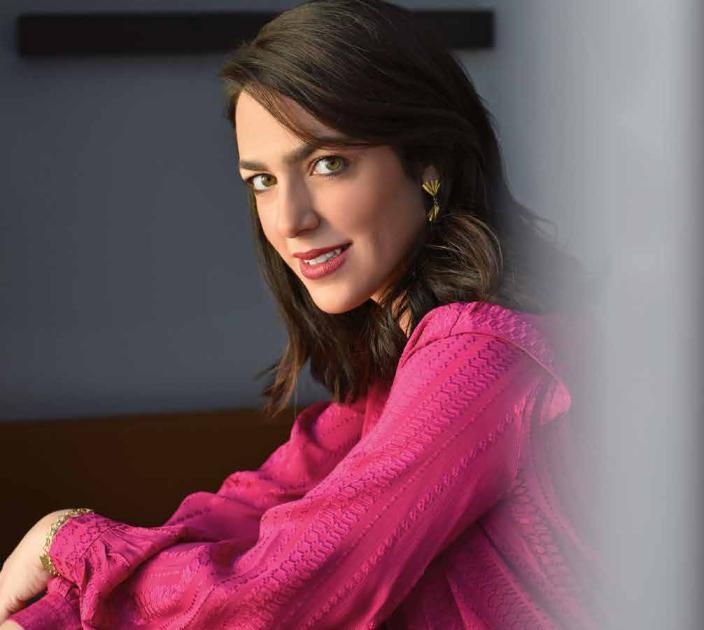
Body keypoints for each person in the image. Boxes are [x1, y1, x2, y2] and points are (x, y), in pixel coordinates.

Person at [0, 0, 599, 627]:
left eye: (327, 164)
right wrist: (56, 610)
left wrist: (68, 542)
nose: (289, 220)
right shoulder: (398, 368)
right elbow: (245, 512)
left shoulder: (483, 356)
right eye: (261, 180)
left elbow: (279, 593)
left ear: (430, 164)